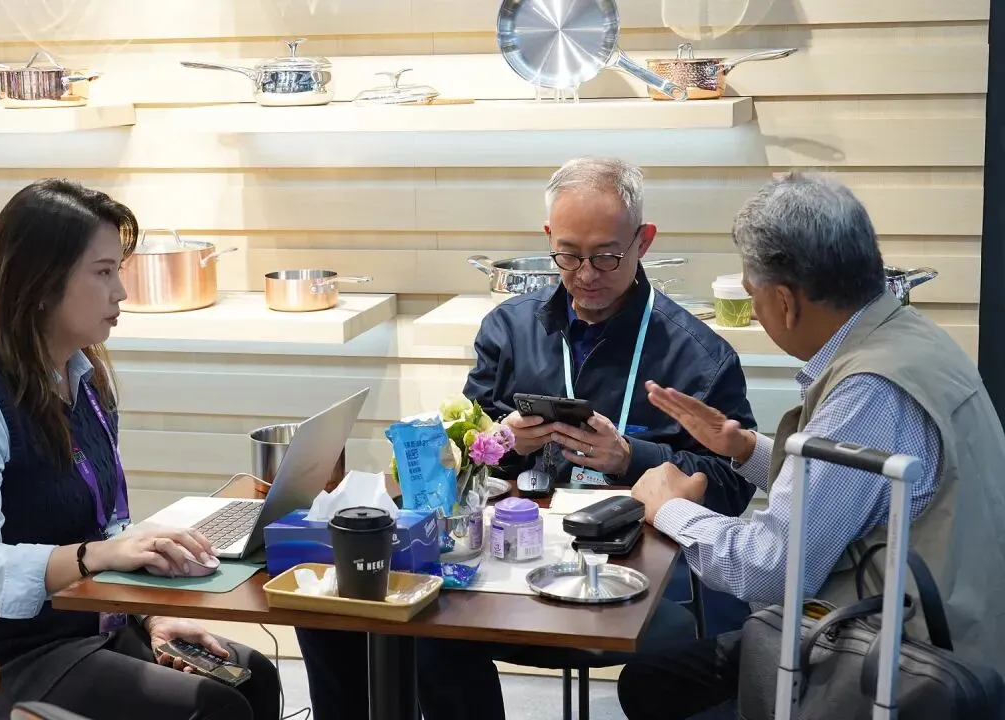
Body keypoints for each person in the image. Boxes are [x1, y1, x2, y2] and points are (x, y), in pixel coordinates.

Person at [295, 157, 758, 719]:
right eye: (568, 254)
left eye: (606, 256)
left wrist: (630, 457)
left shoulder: (698, 356)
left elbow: (733, 489)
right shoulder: (510, 329)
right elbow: (458, 457)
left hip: (637, 573)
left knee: (673, 651)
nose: (586, 273)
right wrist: (498, 443)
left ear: (644, 241)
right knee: (425, 625)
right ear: (548, 240)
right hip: (512, 558)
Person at [617, 172, 1005, 718]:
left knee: (658, 688)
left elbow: (773, 570)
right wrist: (743, 448)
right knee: (655, 681)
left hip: (906, 667)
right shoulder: (910, 336)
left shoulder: (869, 390)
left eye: (752, 294)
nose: (754, 309)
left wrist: (670, 510)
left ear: (785, 301)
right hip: (955, 627)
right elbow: (856, 491)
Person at [0, 179, 282, 720]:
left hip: (87, 630)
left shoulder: (83, 378)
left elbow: (107, 525)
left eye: (119, 270)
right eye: (103, 272)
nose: (121, 292)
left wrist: (149, 616)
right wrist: (95, 556)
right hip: (1, 656)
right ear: (40, 282)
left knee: (253, 675)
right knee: (212, 707)